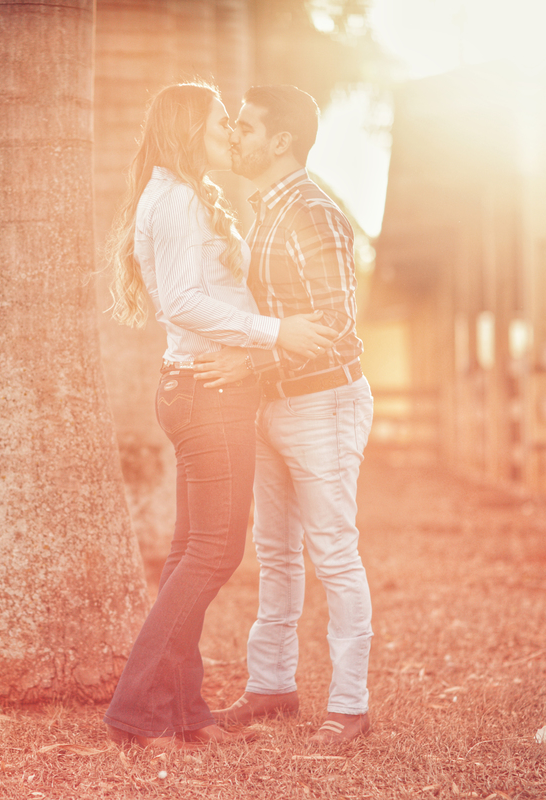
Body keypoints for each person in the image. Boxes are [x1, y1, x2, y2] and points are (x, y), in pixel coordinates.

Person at [102, 82, 336, 749]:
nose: (230, 134)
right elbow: (181, 303)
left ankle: (183, 712)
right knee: (215, 553)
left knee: (188, 553)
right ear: (188, 130)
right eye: (219, 124)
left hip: (199, 387)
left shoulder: (181, 193)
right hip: (208, 393)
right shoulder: (173, 198)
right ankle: (134, 709)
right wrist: (275, 332)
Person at [195, 84, 375, 746]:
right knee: (275, 552)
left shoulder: (312, 212)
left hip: (322, 402)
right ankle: (272, 688)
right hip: (274, 405)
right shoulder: (266, 209)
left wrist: (252, 366)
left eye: (245, 126)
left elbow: (333, 325)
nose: (233, 135)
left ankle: (350, 707)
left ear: (281, 142)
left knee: (332, 551)